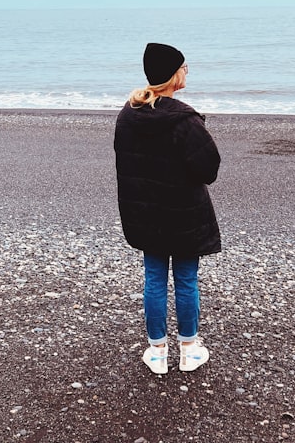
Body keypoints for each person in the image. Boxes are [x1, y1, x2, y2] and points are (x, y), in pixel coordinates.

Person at [114, 43, 222, 374]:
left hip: (146, 214)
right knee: (187, 279)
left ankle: (157, 353)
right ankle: (189, 350)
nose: (187, 71)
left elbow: (127, 166)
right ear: (173, 76)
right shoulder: (185, 121)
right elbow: (209, 169)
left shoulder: (128, 116)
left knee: (154, 278)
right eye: (184, 67)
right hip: (184, 216)